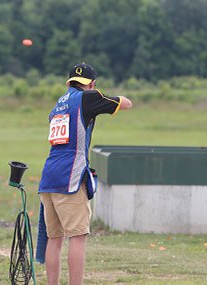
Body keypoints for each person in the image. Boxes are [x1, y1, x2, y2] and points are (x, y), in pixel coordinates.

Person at [38, 62, 132, 285]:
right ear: (91, 83)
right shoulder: (88, 97)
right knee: (78, 237)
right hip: (69, 178)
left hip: (48, 177)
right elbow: (126, 103)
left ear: (70, 82)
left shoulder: (57, 106)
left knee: (54, 238)